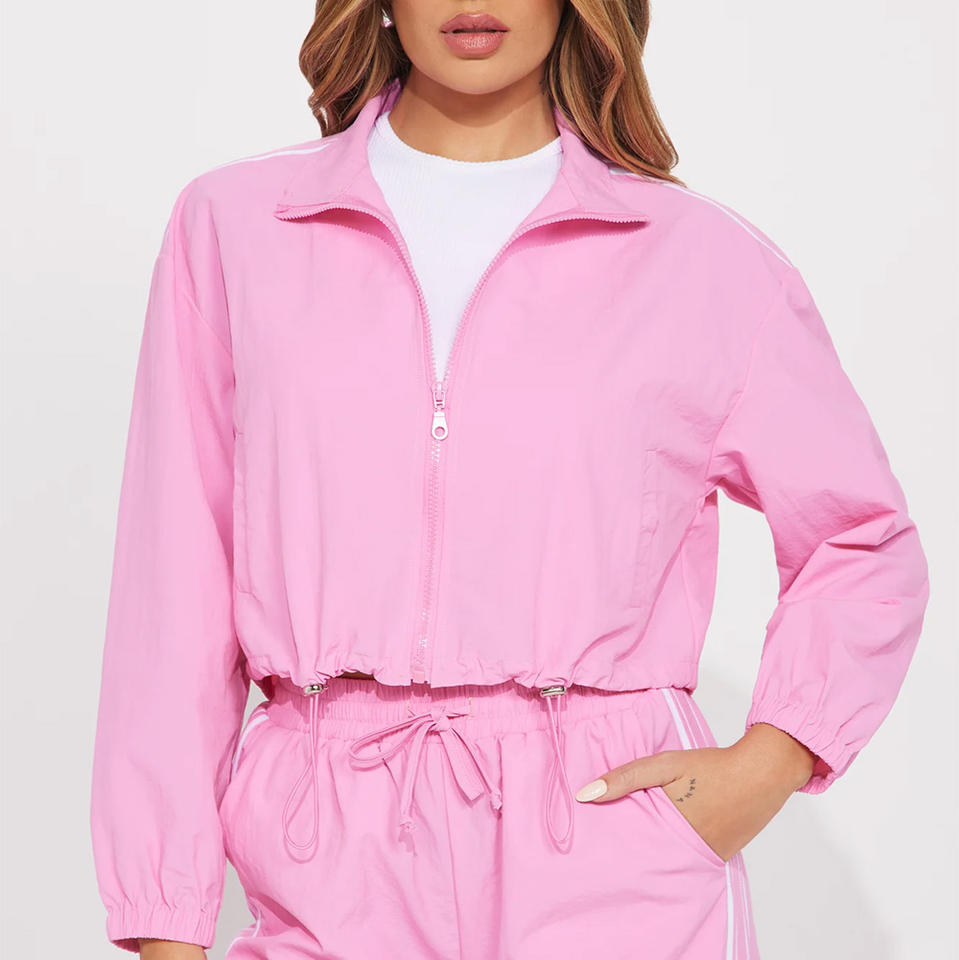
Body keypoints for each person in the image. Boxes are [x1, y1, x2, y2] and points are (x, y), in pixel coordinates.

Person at [89, 1, 931, 958]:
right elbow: (175, 584)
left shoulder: (700, 257)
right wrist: (164, 920)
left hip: (608, 835)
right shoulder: (239, 226)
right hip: (323, 845)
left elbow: (859, 538)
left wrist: (769, 760)